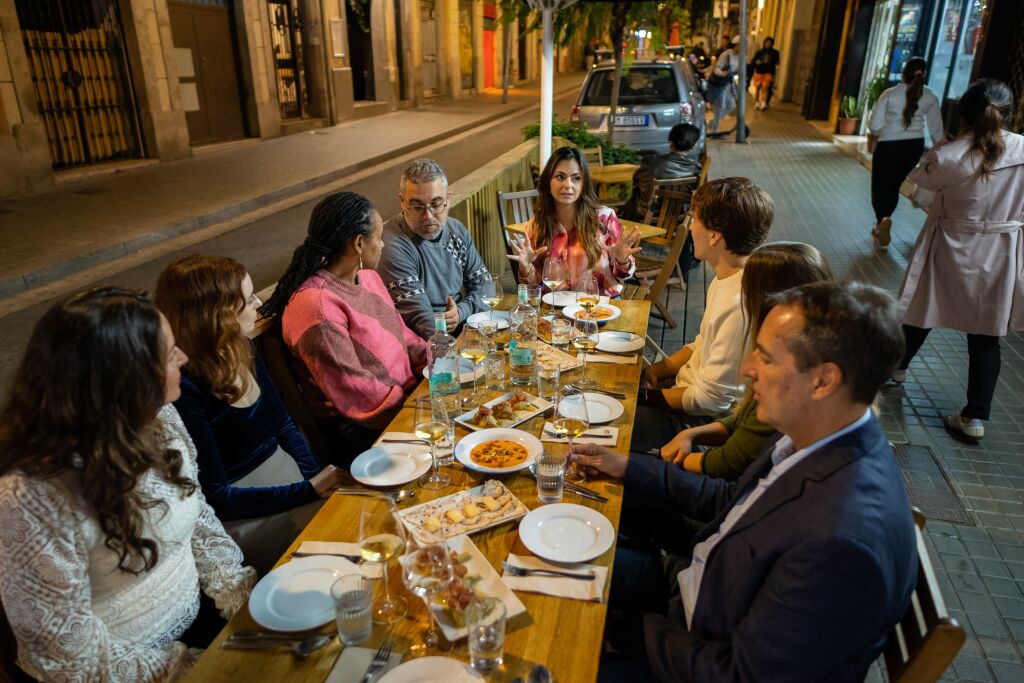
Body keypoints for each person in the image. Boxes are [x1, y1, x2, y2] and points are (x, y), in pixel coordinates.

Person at [573, 281, 917, 682]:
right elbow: (728, 501)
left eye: (766, 357)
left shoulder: (840, 544)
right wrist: (628, 466)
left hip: (698, 639)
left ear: (824, 381)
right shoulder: (813, 435)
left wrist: (621, 633)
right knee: (552, 571)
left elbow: (738, 675)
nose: (747, 368)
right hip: (699, 589)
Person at [0, 287, 255, 681]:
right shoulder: (32, 495)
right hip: (122, 669)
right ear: (126, 379)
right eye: (170, 354)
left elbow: (196, 511)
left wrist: (239, 594)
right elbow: (70, 655)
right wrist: (187, 667)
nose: (183, 357)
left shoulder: (159, 416)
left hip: (198, 617)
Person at [155, 255, 345, 574]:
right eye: (248, 298)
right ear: (219, 315)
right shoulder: (185, 390)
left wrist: (316, 477)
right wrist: (309, 491)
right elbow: (218, 497)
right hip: (250, 516)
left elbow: (284, 424)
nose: (258, 302)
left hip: (292, 483)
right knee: (343, 544)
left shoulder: (240, 348)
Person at [895, 79, 1024, 442]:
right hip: (1001, 251)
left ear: (964, 114)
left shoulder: (949, 156)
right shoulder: (1023, 150)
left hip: (951, 244)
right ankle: (975, 418)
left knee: (921, 309)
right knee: (986, 335)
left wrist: (942, 145)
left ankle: (897, 368)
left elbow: (917, 192)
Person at [261, 192, 430, 457]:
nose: (383, 245)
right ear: (359, 244)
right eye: (378, 237)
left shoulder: (368, 278)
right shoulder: (315, 307)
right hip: (369, 431)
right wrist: (418, 407)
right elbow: (358, 392)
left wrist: (435, 361)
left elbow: (402, 335)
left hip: (411, 400)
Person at [659, 242, 834, 480]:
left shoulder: (792, 380)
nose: (750, 369)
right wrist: (693, 436)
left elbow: (729, 463)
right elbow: (743, 420)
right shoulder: (799, 351)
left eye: (747, 287)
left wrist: (659, 459)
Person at [633, 177, 773, 450]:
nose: (690, 227)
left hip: (696, 424)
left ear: (714, 235)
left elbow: (711, 400)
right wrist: (657, 370)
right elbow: (701, 342)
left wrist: (645, 397)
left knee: (601, 423)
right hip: (681, 396)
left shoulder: (739, 302)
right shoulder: (727, 277)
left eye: (695, 219)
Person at [377, 158, 491, 339]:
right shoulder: (392, 244)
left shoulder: (456, 231)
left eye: (436, 204)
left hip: (463, 328)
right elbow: (423, 322)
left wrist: (461, 311)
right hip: (424, 345)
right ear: (402, 202)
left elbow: (486, 286)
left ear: (448, 199)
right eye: (417, 206)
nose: (428, 216)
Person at [507, 146, 642, 298]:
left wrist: (622, 261)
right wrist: (526, 268)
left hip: (599, 308)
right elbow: (536, 286)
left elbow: (624, 274)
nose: (568, 184)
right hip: (556, 310)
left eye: (576, 178)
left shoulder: (604, 219)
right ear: (548, 184)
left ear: (583, 184)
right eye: (560, 177)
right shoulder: (537, 225)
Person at [867, 57, 944, 247]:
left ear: (903, 73)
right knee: (894, 185)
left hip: (888, 146)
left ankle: (881, 221)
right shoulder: (930, 95)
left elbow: (874, 126)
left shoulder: (890, 94)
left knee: (880, 186)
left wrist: (884, 129)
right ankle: (883, 221)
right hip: (913, 147)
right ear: (923, 74)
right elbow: (936, 130)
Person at [706, 36, 740, 134]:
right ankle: (714, 129)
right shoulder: (727, 54)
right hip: (719, 84)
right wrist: (723, 73)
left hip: (727, 84)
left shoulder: (738, 56)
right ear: (737, 45)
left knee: (731, 105)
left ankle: (712, 123)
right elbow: (717, 69)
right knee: (720, 106)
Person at [750, 37, 780, 110]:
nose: (768, 44)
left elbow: (778, 62)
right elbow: (753, 61)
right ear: (764, 43)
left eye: (769, 43)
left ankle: (763, 103)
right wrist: (756, 62)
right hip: (759, 72)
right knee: (758, 88)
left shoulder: (775, 53)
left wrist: (772, 64)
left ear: (772, 44)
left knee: (765, 88)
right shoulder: (759, 52)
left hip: (768, 73)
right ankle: (757, 103)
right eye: (766, 43)